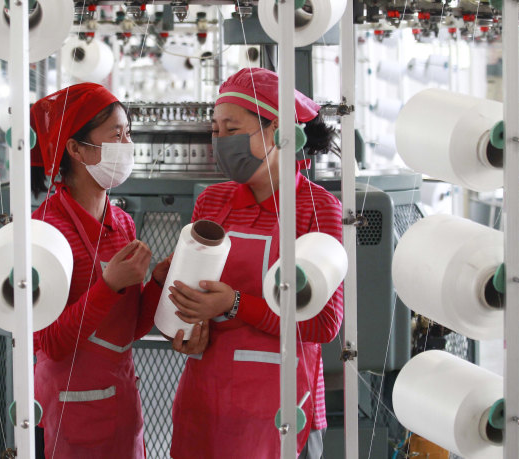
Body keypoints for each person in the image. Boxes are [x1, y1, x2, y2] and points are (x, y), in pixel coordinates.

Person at [169, 68, 344, 458]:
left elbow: (324, 324)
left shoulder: (317, 209)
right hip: (207, 399)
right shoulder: (212, 202)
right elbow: (189, 303)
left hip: (282, 407)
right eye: (215, 130)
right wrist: (182, 328)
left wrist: (233, 304)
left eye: (232, 129)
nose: (220, 141)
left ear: (278, 131)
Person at [29, 83, 169, 458]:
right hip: (69, 409)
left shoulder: (121, 223)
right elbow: (51, 343)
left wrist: (156, 282)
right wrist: (109, 286)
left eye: (128, 134)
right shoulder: (44, 230)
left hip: (123, 403)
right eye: (115, 136)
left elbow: (129, 328)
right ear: (75, 149)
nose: (126, 145)